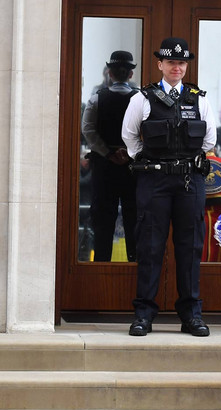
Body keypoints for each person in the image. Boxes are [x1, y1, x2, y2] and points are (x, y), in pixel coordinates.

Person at [121, 37, 217, 337]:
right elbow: (130, 138)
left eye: (182, 63)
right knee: (150, 246)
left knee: (190, 248)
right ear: (160, 64)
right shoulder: (142, 98)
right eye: (171, 62)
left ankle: (191, 315)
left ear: (186, 66)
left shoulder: (199, 98)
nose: (177, 67)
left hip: (190, 181)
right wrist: (152, 162)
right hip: (154, 180)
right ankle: (143, 315)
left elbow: (209, 140)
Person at [81, 50, 139, 262]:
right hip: (133, 167)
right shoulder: (142, 99)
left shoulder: (96, 98)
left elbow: (88, 130)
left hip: (105, 167)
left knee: (103, 219)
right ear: (130, 74)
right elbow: (148, 131)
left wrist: (107, 152)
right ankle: (134, 265)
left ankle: (101, 265)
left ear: (110, 73)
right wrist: (129, 152)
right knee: (133, 217)